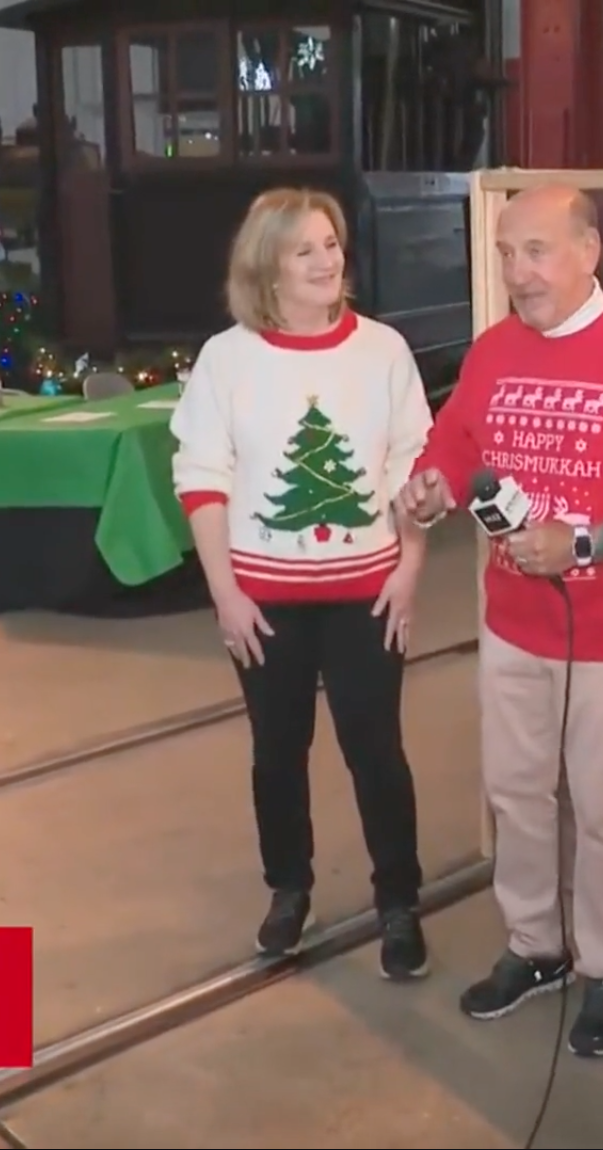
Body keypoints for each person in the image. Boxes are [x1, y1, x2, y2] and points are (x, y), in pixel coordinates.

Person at [395, 185, 603, 1055]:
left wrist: (590, 543)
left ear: (588, 251)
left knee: (601, 805)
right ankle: (535, 947)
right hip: (512, 624)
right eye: (508, 253)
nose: (518, 272)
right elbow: (458, 440)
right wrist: (433, 481)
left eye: (536, 251)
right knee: (514, 793)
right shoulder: (494, 352)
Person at [171, 188, 435, 980]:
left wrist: (411, 570)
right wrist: (226, 595)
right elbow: (202, 477)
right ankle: (289, 888)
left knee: (376, 751)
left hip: (367, 595)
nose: (328, 261)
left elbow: (411, 469)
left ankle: (400, 902)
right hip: (263, 601)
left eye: (331, 244)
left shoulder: (384, 351)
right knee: (276, 753)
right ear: (268, 268)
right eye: (305, 251)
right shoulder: (228, 359)